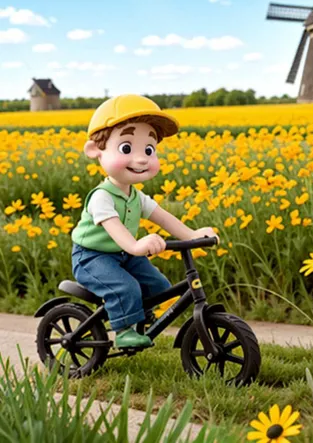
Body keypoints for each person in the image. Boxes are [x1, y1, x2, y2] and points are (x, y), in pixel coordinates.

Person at [70, 94, 219, 349]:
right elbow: (115, 229)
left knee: (158, 286)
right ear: (95, 150)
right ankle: (125, 331)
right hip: (92, 258)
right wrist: (137, 247)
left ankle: (138, 315)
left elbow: (162, 217)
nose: (141, 158)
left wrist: (192, 234)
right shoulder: (102, 197)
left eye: (149, 150)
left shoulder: (136, 196)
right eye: (126, 148)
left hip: (124, 254)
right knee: (125, 287)